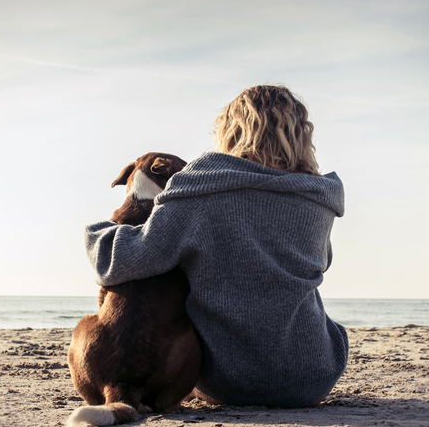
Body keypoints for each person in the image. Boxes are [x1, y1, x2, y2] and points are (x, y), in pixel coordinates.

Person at [84, 85, 348, 407]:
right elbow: (321, 262)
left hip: (229, 383)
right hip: (314, 377)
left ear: (230, 132)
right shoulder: (318, 198)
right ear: (300, 135)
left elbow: (126, 261)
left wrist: (100, 232)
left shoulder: (202, 188)